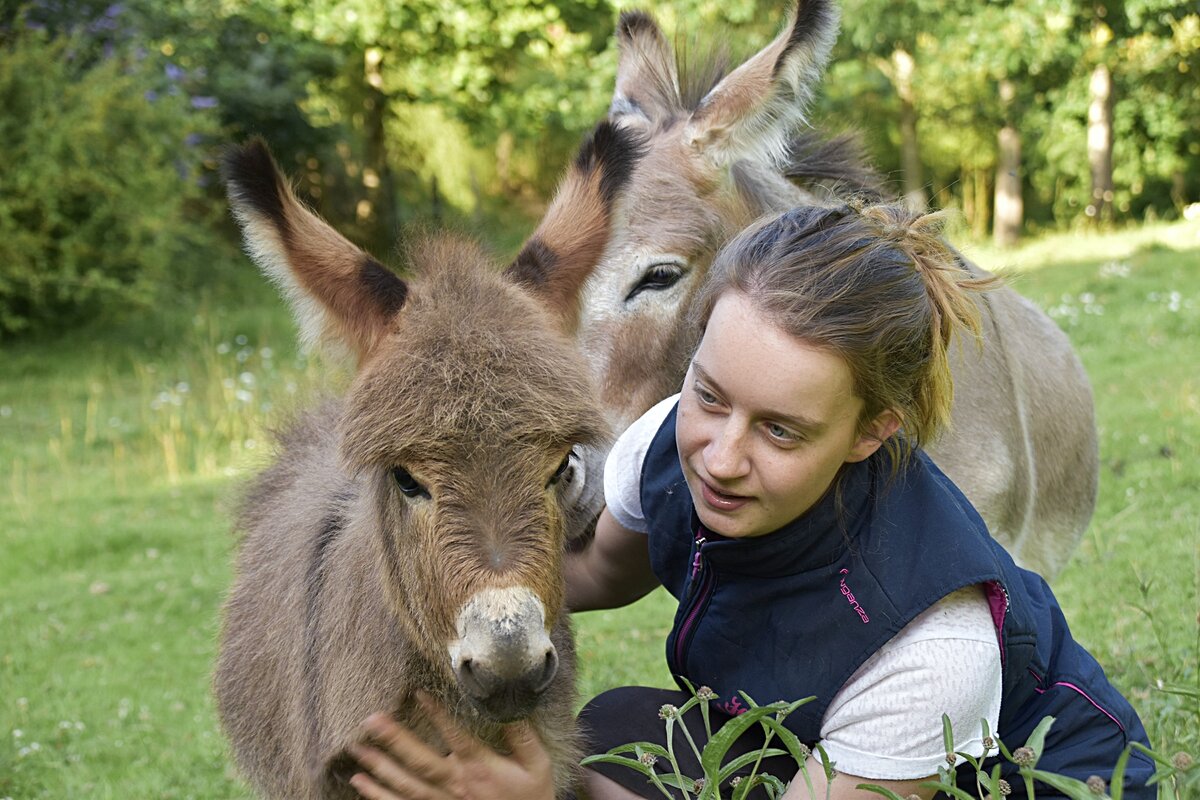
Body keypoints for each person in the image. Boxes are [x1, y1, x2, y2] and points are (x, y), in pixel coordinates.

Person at [345, 203, 1155, 800]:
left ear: (872, 432)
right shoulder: (671, 441)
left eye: (781, 431)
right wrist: (436, 584)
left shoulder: (933, 644)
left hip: (1037, 781)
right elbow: (592, 572)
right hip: (799, 739)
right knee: (632, 729)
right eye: (710, 393)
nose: (721, 460)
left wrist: (551, 799)